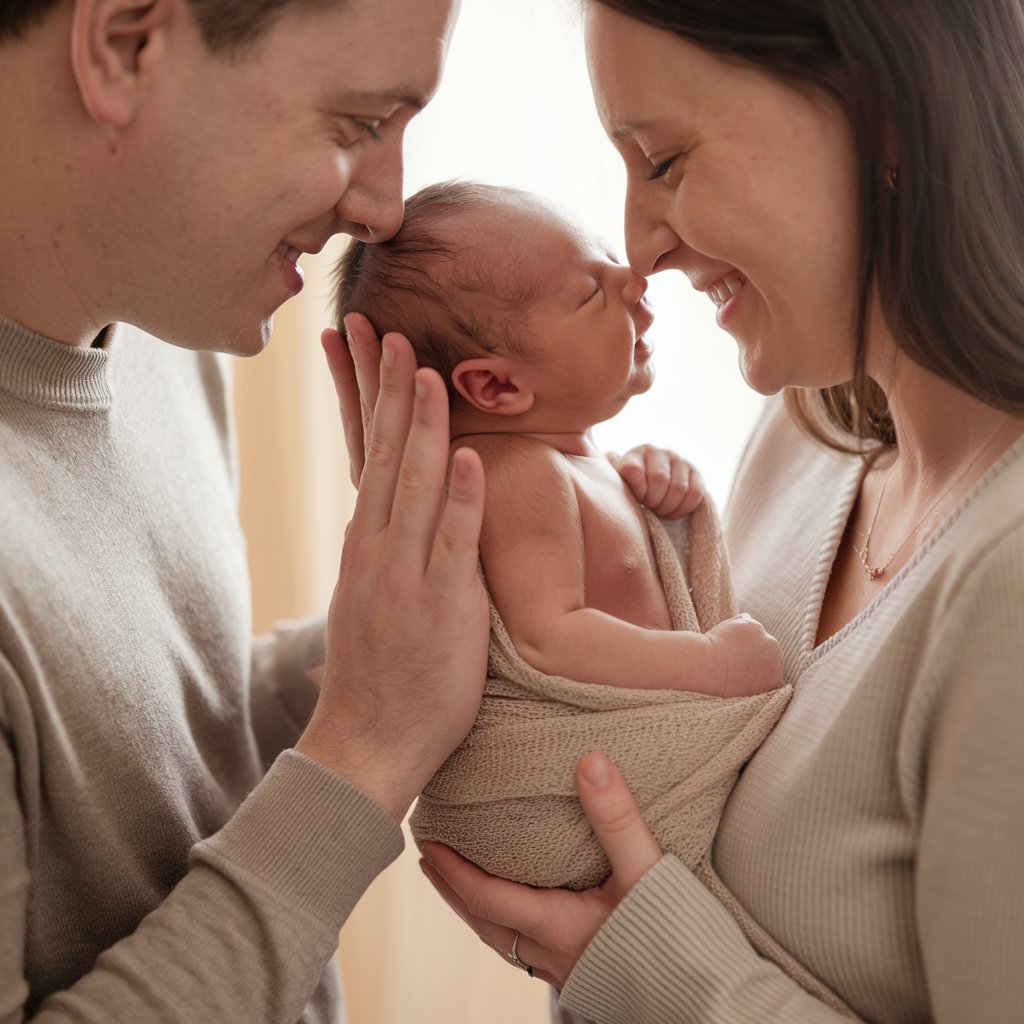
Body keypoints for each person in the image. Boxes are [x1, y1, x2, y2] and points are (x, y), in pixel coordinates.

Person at [340, 1, 1024, 1020]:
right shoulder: (802, 445)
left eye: (661, 162)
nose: (638, 249)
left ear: (883, 116)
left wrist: (644, 965)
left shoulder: (1002, 580)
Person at [0, 0, 503, 1020]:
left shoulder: (155, 329)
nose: (387, 209)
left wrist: (393, 644)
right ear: (125, 44)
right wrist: (361, 758)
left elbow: (135, 760)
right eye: (359, 124)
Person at [332, 181, 794, 916]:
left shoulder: (577, 466)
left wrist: (660, 492)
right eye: (590, 292)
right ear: (495, 385)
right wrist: (710, 665)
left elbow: (628, 566)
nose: (634, 281)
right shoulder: (521, 475)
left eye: (612, 262)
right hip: (566, 796)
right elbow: (550, 638)